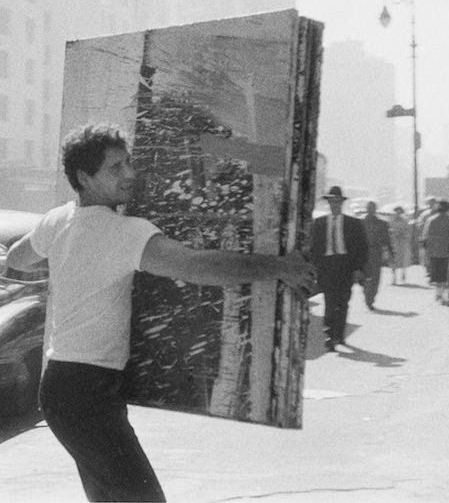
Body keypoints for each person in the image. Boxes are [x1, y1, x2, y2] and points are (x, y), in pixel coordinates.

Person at [6, 123, 315, 503]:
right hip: (85, 393)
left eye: (128, 163)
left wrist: (65, 263)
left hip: (63, 387)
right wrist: (279, 267)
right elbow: (197, 267)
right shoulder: (126, 233)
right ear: (85, 178)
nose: (130, 174)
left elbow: (17, 259)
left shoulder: (58, 220)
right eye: (115, 168)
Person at [311, 185, 368, 351]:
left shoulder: (353, 224)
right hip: (327, 266)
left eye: (337, 201)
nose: (334, 204)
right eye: (331, 201)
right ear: (328, 203)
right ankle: (329, 335)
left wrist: (358, 268)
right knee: (329, 301)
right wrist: (315, 268)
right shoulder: (319, 223)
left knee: (343, 302)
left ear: (341, 203)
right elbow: (314, 247)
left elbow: (361, 247)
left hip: (345, 265)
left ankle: (339, 334)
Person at [422, 199, 449, 303]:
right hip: (447, 251)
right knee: (445, 274)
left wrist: (426, 250)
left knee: (436, 274)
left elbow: (425, 237)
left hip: (434, 251)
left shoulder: (431, 220)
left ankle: (438, 294)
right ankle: (441, 294)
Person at [362, 200, 394, 310]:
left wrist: (390, 252)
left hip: (376, 253)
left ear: (375, 210)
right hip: (364, 254)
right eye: (369, 208)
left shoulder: (382, 224)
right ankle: (367, 297)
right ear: (366, 209)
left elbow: (387, 240)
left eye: (373, 208)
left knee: (375, 278)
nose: (371, 210)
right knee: (366, 277)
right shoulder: (360, 223)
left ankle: (371, 298)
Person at [389, 206, 411, 284]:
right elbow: (389, 230)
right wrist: (393, 233)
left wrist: (403, 234)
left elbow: (408, 231)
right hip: (394, 242)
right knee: (394, 260)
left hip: (402, 242)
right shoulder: (391, 221)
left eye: (399, 212)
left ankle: (403, 274)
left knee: (403, 259)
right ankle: (394, 277)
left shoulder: (405, 221)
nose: (398, 214)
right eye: (396, 212)